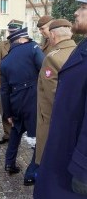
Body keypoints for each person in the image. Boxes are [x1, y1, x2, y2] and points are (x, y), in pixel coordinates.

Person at [33, 0, 87, 198]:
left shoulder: (55, 56)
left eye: (83, 8)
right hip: (65, 145)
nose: (76, 12)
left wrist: (83, 168)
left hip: (74, 158)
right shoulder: (81, 47)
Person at [0, 27, 44, 186]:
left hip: (15, 102)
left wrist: (8, 113)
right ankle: (31, 175)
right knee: (35, 139)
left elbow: (4, 91)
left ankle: (9, 164)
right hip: (33, 100)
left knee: (16, 133)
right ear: (21, 39)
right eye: (27, 38)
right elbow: (46, 69)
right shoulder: (32, 48)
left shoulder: (5, 60)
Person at [35, 19, 76, 165]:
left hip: (53, 121)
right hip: (75, 121)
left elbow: (53, 95)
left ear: (52, 35)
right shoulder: (78, 52)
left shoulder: (52, 58)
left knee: (49, 162)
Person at [0, 21, 23, 144]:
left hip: (19, 84)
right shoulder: (3, 44)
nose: (11, 34)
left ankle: (16, 136)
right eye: (10, 32)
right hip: (5, 84)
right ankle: (7, 135)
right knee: (5, 110)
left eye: (14, 32)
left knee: (17, 111)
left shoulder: (25, 44)